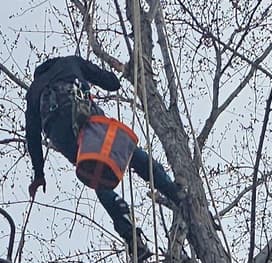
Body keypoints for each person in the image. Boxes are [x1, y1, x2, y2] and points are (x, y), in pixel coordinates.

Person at [24, 54, 181, 245]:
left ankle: (128, 231)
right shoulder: (70, 62)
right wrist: (118, 73)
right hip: (81, 115)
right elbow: (112, 83)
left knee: (96, 173)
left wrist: (39, 174)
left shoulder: (33, 90)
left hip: (59, 134)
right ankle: (174, 192)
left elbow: (32, 136)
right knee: (130, 153)